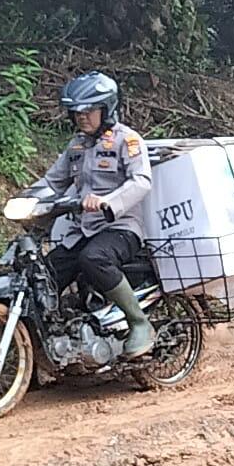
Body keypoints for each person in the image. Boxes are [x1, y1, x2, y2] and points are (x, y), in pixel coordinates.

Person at [37, 71, 155, 358]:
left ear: (107, 109)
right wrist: (26, 198)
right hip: (83, 230)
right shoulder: (76, 146)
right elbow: (52, 182)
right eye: (76, 111)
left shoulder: (127, 140)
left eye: (89, 110)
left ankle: (139, 322)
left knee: (93, 258)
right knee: (45, 274)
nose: (82, 117)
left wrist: (107, 201)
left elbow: (142, 181)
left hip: (121, 228)